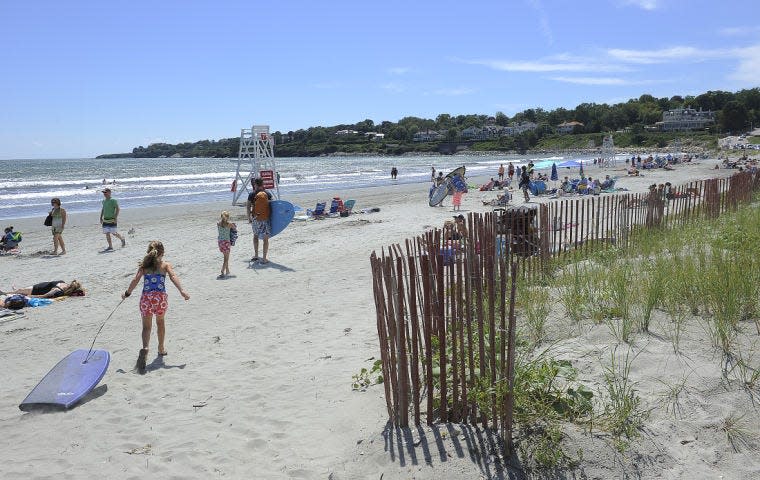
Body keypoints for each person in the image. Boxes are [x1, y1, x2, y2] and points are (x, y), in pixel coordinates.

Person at [122, 240, 189, 372]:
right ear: (163, 253)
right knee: (160, 323)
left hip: (146, 298)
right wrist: (182, 290)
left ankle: (145, 348)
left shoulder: (143, 267)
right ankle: (161, 348)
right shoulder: (165, 265)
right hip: (160, 298)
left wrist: (127, 293)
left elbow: (135, 280)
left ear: (149, 252)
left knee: (146, 327)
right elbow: (173, 276)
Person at [247, 177, 272, 264]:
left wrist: (249, 217)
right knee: (265, 239)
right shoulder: (267, 194)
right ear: (262, 184)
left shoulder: (251, 194)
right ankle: (264, 258)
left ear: (255, 184)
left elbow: (248, 206)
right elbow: (272, 207)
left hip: (255, 219)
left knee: (255, 236)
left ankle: (256, 255)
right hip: (265, 219)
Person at [3, 280, 82, 298]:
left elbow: (43, 296)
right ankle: (13, 290)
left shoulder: (58, 289)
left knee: (18, 292)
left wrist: (28, 296)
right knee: (19, 290)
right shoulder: (63, 286)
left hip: (36, 289)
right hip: (39, 286)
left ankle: (3, 293)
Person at [217, 211, 236, 279]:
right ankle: (222, 271)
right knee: (226, 259)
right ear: (227, 217)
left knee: (225, 257)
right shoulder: (229, 224)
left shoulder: (218, 223)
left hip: (220, 242)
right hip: (226, 243)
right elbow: (234, 228)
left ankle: (227, 271)